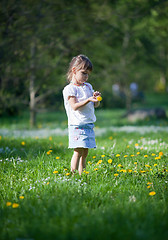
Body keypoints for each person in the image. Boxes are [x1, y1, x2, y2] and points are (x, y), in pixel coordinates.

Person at [63, 54, 101, 175]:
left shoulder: (88, 87)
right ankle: (73, 174)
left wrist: (95, 99)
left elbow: (95, 105)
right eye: (84, 73)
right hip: (77, 125)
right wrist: (88, 100)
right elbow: (74, 106)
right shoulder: (70, 89)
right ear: (74, 70)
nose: (86, 77)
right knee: (78, 151)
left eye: (88, 74)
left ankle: (82, 174)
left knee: (85, 152)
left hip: (88, 123)